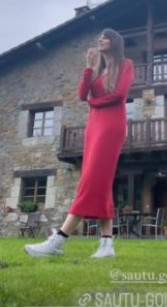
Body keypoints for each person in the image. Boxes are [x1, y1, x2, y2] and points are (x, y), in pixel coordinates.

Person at [24, 28, 135, 258]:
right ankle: (107, 245)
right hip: (94, 127)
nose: (100, 39)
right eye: (99, 36)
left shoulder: (126, 65)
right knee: (100, 181)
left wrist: (95, 104)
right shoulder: (98, 70)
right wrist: (88, 66)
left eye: (105, 37)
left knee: (92, 179)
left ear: (114, 42)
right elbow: (82, 95)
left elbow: (120, 95)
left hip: (111, 126)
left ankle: (59, 240)